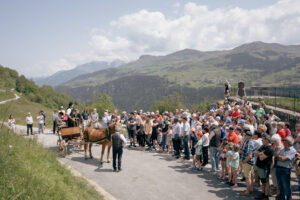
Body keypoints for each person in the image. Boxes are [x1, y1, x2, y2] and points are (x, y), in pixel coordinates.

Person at [275, 136, 297, 200]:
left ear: (288, 142)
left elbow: (283, 159)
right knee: (280, 185)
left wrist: (279, 157)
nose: (283, 141)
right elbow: (277, 157)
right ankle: (281, 197)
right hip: (278, 168)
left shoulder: (293, 150)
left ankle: (289, 198)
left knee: (286, 185)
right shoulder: (282, 148)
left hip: (285, 170)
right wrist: (279, 157)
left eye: (284, 140)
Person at [255, 135, 273, 200]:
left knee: (266, 182)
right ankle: (263, 193)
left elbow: (262, 158)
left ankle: (266, 195)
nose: (262, 141)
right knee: (263, 182)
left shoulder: (269, 149)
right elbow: (256, 153)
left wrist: (260, 154)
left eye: (263, 140)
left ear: (267, 141)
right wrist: (261, 153)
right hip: (260, 166)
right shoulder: (263, 146)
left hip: (265, 167)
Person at [240, 131, 255, 196]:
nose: (244, 136)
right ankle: (250, 189)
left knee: (247, 177)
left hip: (247, 162)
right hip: (249, 162)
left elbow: (249, 155)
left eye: (245, 135)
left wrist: (244, 161)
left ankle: (247, 191)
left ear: (249, 136)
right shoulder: (248, 142)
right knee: (250, 176)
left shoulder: (249, 143)